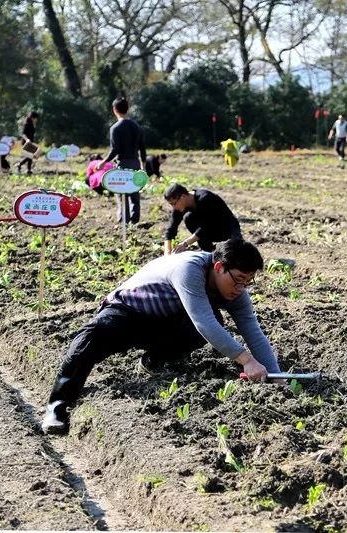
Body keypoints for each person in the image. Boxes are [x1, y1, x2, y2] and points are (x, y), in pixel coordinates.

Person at [40, 238, 282, 434]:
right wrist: (248, 361)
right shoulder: (189, 269)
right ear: (219, 268)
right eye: (239, 280)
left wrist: (276, 376)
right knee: (90, 338)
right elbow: (203, 322)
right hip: (128, 313)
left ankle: (154, 361)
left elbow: (252, 330)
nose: (241, 289)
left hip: (164, 323)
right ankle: (58, 405)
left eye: (248, 283)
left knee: (212, 324)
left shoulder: (236, 291)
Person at [95, 96, 146, 225]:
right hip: (135, 163)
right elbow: (142, 149)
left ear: (114, 109)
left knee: (121, 192)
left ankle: (124, 219)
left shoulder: (115, 128)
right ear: (127, 109)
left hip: (122, 164)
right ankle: (134, 220)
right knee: (134, 191)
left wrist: (103, 162)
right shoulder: (137, 127)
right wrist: (143, 166)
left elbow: (115, 150)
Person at [163, 183, 242, 255]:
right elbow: (171, 229)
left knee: (235, 253)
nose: (173, 207)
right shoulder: (180, 206)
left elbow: (207, 226)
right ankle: (209, 252)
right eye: (171, 204)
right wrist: (167, 253)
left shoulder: (205, 198)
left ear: (183, 196)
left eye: (174, 203)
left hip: (227, 228)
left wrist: (185, 244)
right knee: (188, 217)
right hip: (208, 231)